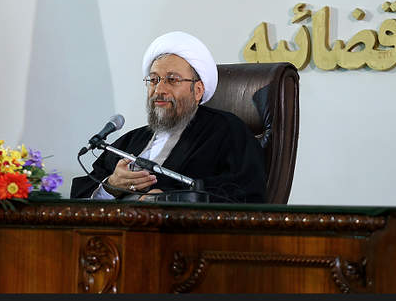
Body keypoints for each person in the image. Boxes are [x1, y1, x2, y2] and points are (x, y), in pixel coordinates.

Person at [70, 31, 266, 203]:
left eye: (172, 80)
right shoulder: (129, 142)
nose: (159, 90)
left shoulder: (226, 130)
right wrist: (111, 186)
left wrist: (169, 198)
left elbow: (245, 191)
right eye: (154, 80)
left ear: (198, 90)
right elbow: (80, 199)